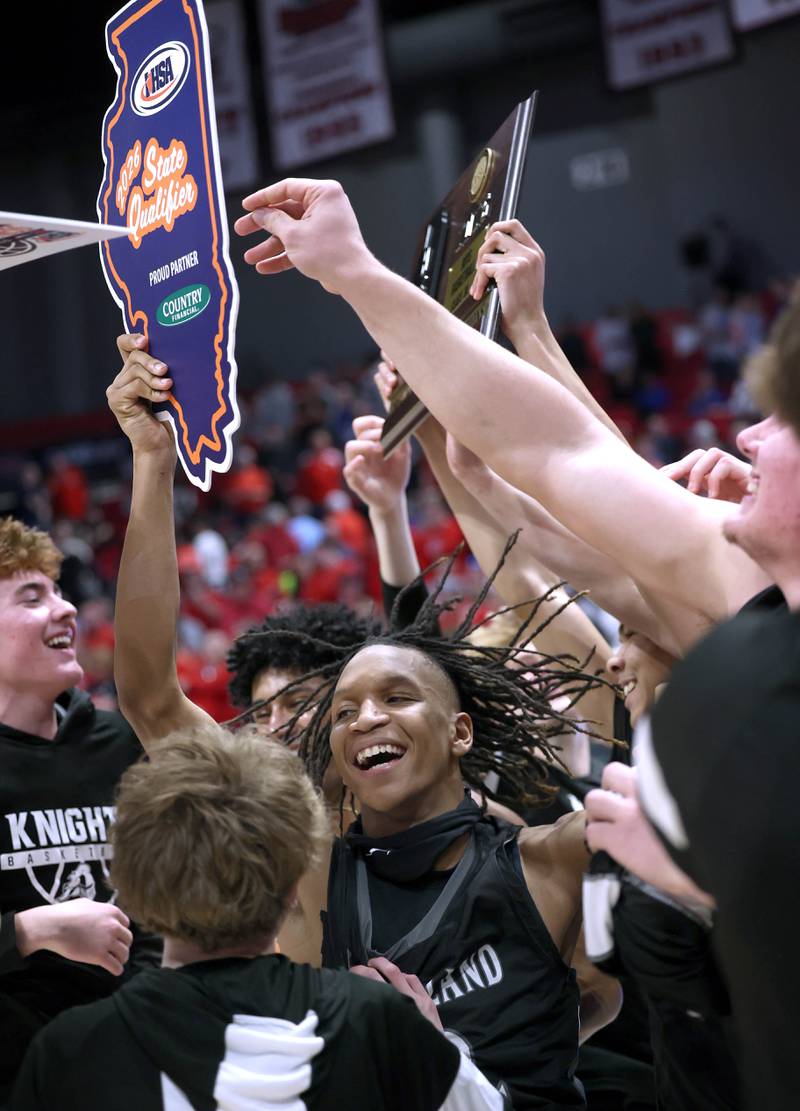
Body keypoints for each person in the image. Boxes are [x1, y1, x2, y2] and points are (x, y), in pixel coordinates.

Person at [105, 342, 621, 1109]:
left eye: (395, 698)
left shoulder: (556, 854)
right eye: (343, 709)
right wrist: (152, 462)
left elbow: (600, 996)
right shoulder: (309, 868)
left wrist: (453, 452)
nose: (365, 716)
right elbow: (149, 697)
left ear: (462, 734)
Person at [234, 181, 773, 656]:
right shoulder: (753, 609)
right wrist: (460, 435)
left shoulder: (756, 603)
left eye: (786, 421)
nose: (750, 437)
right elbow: (598, 488)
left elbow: (575, 471)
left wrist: (353, 269)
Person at [11, 724, 505, 1111]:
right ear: (294, 884)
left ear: (134, 890)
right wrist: (438, 1046)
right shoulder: (379, 1020)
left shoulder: (72, 1050)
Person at [0, 517, 155, 1093]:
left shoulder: (121, 744)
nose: (66, 609)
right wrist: (27, 930)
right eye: (32, 596)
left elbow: (167, 905)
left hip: (140, 1053)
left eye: (60, 592)